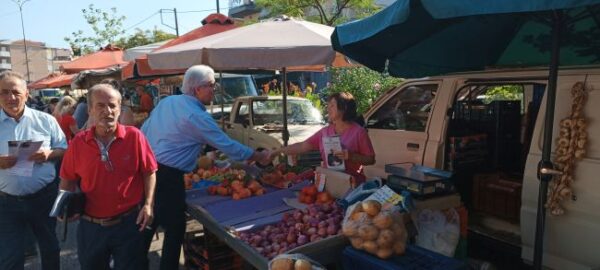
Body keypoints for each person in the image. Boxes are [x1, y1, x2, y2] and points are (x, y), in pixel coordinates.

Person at [141, 65, 271, 270]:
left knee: (146, 225)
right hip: (169, 177)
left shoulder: (167, 102)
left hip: (147, 171)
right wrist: (258, 156)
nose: (215, 90)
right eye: (211, 86)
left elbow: (145, 131)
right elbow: (227, 145)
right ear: (196, 90)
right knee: (175, 229)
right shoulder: (197, 116)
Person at [59, 83, 157, 270]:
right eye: (100, 106)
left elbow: (149, 171)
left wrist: (148, 204)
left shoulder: (134, 137)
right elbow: (67, 178)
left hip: (129, 223)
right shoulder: (79, 143)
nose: (108, 111)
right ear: (90, 110)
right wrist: (62, 204)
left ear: (120, 109)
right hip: (91, 227)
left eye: (113, 105)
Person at [0, 71, 67, 270]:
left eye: (15, 92)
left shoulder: (46, 120)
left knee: (49, 248)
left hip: (43, 197)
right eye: (4, 92)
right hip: (6, 202)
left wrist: (49, 154)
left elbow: (65, 148)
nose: (11, 97)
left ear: (27, 93)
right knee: (10, 256)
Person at [271, 92, 375, 183]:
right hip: (329, 182)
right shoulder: (325, 132)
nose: (328, 109)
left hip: (351, 184)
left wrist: (350, 156)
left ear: (344, 108)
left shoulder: (359, 132)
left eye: (332, 106)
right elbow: (302, 146)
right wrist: (278, 151)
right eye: (328, 105)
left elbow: (371, 159)